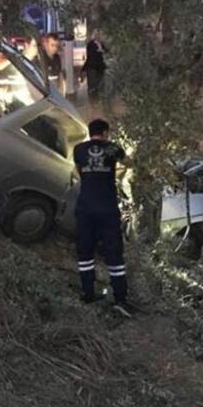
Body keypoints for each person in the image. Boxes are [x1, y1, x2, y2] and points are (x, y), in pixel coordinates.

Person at [73, 118, 131, 315]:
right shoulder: (112, 148)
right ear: (105, 133)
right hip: (107, 208)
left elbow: (79, 171)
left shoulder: (78, 149)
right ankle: (120, 300)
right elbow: (129, 163)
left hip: (85, 207)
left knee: (85, 252)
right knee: (114, 253)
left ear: (90, 132)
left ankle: (87, 293)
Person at [80, 28, 108, 100]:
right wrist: (84, 69)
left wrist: (102, 50)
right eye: (96, 34)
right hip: (92, 68)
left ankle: (99, 102)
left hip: (100, 68)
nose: (98, 36)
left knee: (100, 86)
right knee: (92, 87)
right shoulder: (90, 44)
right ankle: (92, 103)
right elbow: (90, 56)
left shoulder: (102, 44)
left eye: (99, 34)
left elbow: (107, 53)